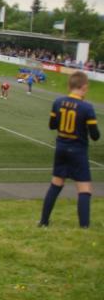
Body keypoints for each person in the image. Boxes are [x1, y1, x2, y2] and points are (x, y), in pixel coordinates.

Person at [39, 71, 100, 228]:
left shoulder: (58, 102)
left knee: (56, 184)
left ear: (69, 86)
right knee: (84, 188)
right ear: (85, 87)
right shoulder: (87, 107)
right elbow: (95, 136)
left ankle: (44, 221)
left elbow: (52, 125)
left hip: (61, 147)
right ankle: (84, 226)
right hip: (78, 150)